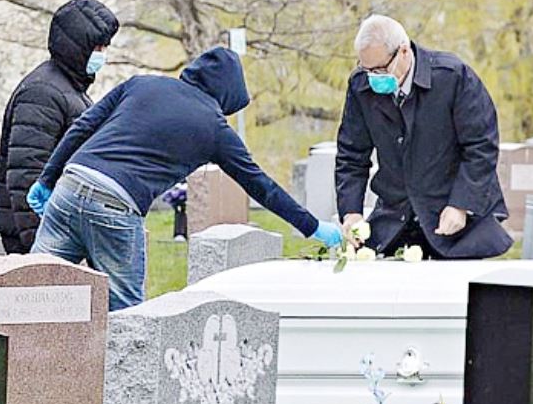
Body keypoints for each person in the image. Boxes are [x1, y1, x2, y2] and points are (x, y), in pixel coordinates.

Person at [27, 47, 343, 311]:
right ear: (228, 96)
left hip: (69, 187)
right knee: (127, 316)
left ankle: (22, 366)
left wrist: (47, 179)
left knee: (33, 295)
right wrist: (313, 227)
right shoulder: (215, 129)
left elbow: (83, 126)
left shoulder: (141, 84)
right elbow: (262, 186)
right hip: (115, 207)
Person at [336, 15, 512, 259]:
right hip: (396, 220)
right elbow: (351, 154)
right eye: (366, 70)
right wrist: (351, 212)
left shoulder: (453, 77)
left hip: (456, 219)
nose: (374, 78)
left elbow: (481, 146)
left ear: (404, 52)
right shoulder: (361, 86)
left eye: (380, 69)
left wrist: (460, 204)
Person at [0, 0, 120, 254]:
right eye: (97, 47)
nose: (102, 54)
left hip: (59, 227)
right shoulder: (43, 92)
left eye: (105, 47)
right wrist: (41, 244)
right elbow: (26, 173)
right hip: (38, 233)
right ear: (77, 46)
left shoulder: (70, 89)